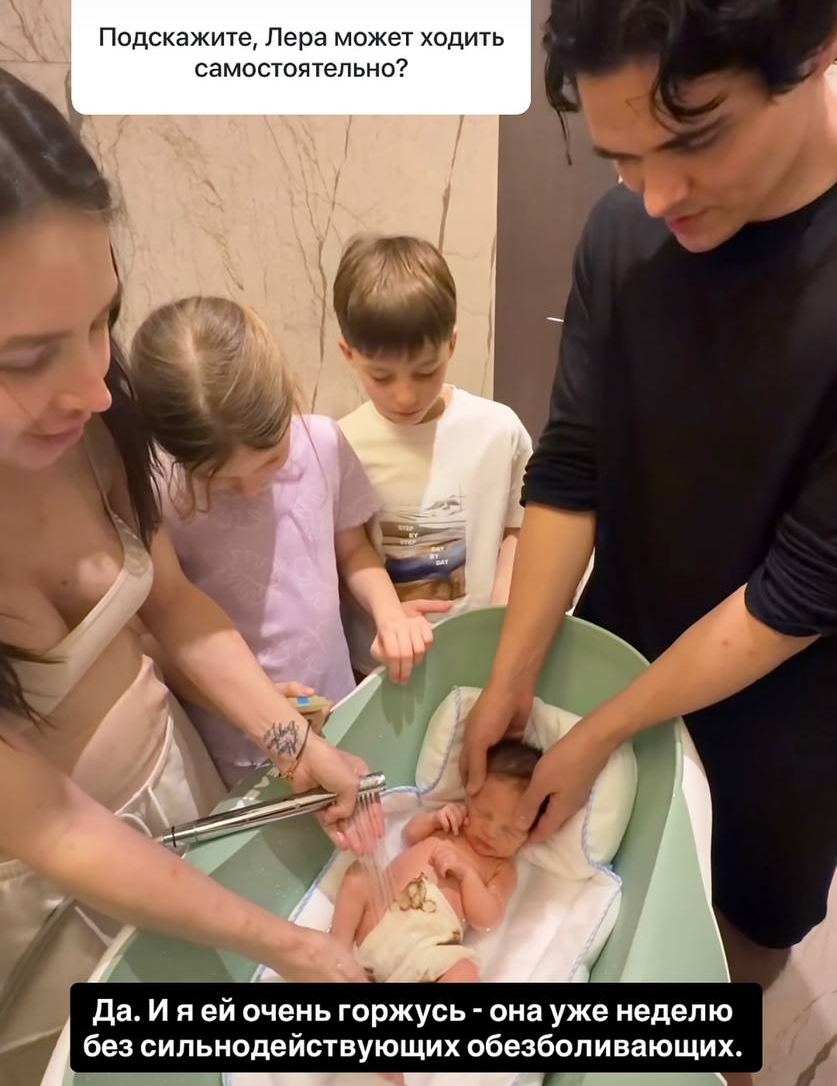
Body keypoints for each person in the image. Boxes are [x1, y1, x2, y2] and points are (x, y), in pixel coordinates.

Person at [461, 0, 837, 1083]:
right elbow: (572, 465)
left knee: (722, 966)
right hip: (617, 651)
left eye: (695, 139)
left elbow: (799, 591)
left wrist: (595, 736)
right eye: (622, 156)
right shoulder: (625, 239)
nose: (658, 197)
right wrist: (517, 673)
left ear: (817, 44)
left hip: (782, 715)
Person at [0, 71, 371, 1086]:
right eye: (28, 356)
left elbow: (169, 602)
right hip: (38, 906)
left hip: (181, 797)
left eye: (102, 319)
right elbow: (56, 826)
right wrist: (294, 948)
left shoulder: (95, 420)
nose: (92, 385)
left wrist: (293, 742)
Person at [131, 296, 441, 783]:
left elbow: (354, 551)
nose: (251, 487)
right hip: (231, 736)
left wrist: (389, 613)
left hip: (340, 708)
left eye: (271, 461)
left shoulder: (322, 444)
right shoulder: (156, 492)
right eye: (220, 480)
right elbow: (157, 633)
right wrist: (258, 710)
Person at [334, 234, 532, 676]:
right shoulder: (342, 445)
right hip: (384, 667)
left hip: (480, 655)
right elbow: (349, 551)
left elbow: (518, 528)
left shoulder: (498, 431)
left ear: (452, 344)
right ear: (349, 354)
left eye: (426, 371)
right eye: (382, 377)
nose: (405, 396)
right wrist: (387, 615)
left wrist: (501, 620)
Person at [331, 739, 536, 984]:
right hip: (373, 922)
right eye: (484, 814)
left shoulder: (501, 868)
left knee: (464, 972)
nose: (490, 832)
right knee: (360, 874)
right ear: (471, 797)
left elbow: (487, 919)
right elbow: (409, 836)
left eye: (508, 831)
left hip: (426, 953)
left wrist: (467, 875)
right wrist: (434, 819)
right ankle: (337, 952)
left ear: (530, 834)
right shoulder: (453, 822)